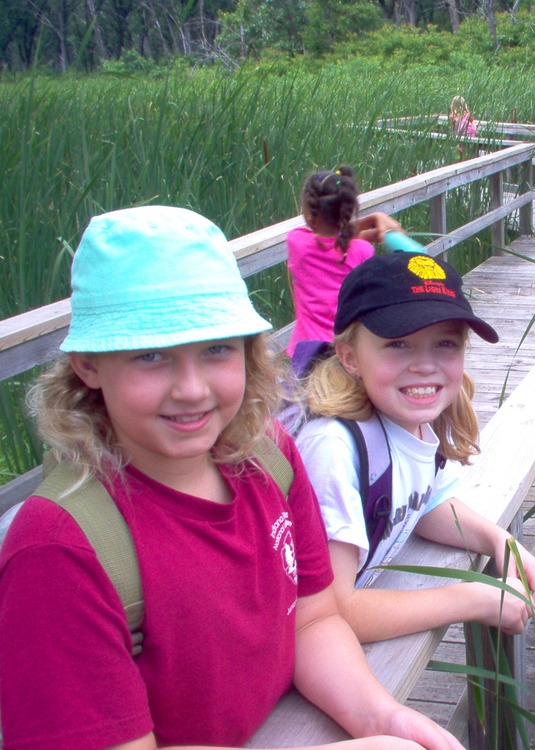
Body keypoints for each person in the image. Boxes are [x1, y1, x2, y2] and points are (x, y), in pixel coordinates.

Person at [0, 205, 462, 750]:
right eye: (151, 356)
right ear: (89, 365)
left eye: (217, 349)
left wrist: (381, 718)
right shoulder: (60, 549)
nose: (193, 389)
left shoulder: (269, 455)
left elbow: (311, 620)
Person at [293, 252, 535, 644]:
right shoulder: (333, 448)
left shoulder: (407, 422)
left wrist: (500, 541)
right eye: (398, 344)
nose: (425, 366)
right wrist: (473, 599)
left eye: (445, 344)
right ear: (349, 357)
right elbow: (333, 611)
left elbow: (426, 502)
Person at [286, 166, 403, 375]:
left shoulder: (297, 243)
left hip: (305, 351)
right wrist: (373, 221)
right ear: (348, 210)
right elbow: (345, 241)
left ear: (309, 214)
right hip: (343, 350)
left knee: (304, 405)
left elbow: (328, 239)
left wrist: (366, 224)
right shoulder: (363, 250)